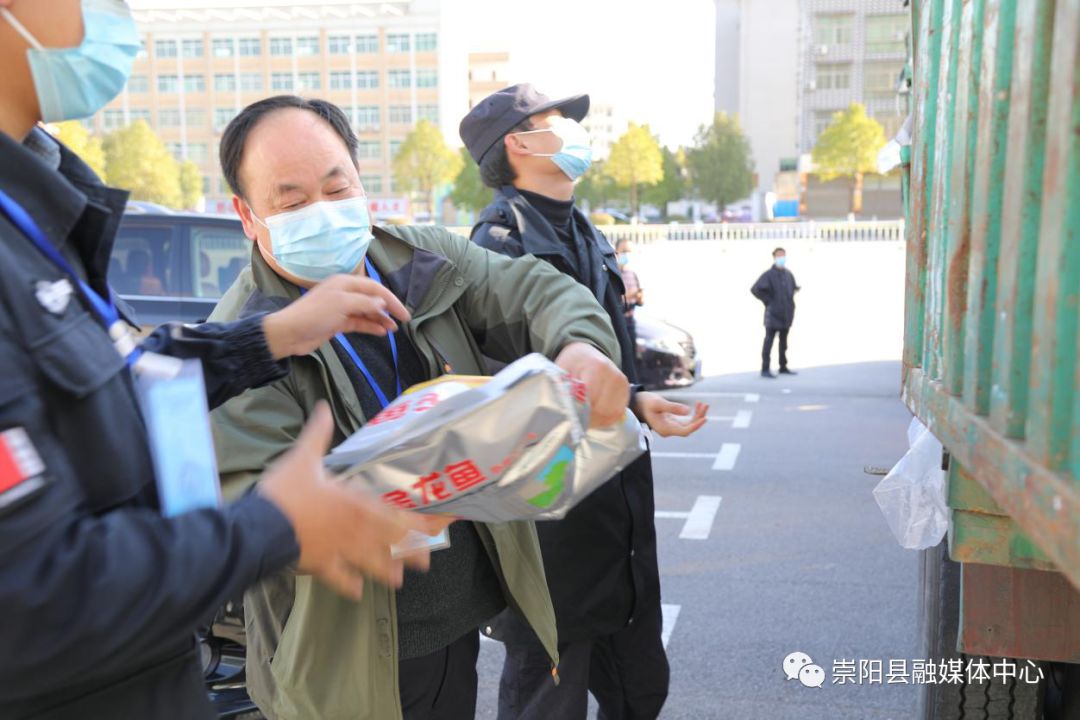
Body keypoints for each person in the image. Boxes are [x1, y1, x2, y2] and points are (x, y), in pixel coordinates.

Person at [0, 2, 446, 719]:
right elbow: (30, 599)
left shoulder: (33, 203)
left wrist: (266, 337)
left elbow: (106, 388)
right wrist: (273, 526)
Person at [208, 95, 633, 720]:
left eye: (337, 188)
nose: (323, 212)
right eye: (292, 203)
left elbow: (533, 290)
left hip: (457, 620)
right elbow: (257, 511)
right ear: (247, 215)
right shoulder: (244, 343)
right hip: (345, 659)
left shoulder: (417, 259)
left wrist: (582, 347)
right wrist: (381, 506)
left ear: (361, 183)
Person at [461, 83, 708, 720]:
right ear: (518, 145)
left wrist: (636, 402)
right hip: (553, 519)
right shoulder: (498, 245)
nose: (575, 133)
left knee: (639, 687)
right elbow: (509, 389)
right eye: (556, 122)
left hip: (616, 505)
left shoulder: (584, 229)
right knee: (549, 695)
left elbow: (601, 359)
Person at [751, 247, 799, 378]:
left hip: (786, 314)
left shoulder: (788, 274)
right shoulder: (768, 275)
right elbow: (755, 289)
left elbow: (793, 289)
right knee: (769, 342)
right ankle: (765, 368)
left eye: (783, 255)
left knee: (784, 343)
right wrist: (768, 301)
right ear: (774, 257)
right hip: (773, 315)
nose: (781, 258)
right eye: (779, 256)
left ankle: (783, 366)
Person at [616, 239, 643, 348]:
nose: (626, 254)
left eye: (629, 251)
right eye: (624, 251)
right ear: (616, 252)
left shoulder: (633, 274)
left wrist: (639, 297)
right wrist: (631, 294)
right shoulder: (612, 275)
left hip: (631, 323)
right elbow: (612, 300)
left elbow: (640, 302)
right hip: (617, 324)